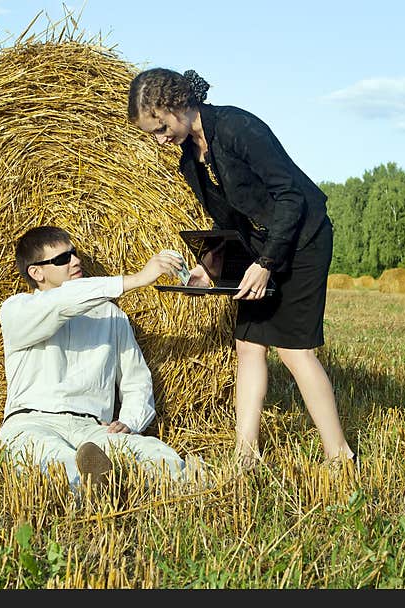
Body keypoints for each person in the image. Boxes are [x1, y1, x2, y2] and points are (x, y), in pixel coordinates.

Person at [128, 68, 356, 470]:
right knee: (249, 345)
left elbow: (290, 197)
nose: (162, 139)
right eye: (154, 134)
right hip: (261, 247)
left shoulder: (237, 127)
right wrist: (207, 268)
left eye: (161, 127)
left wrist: (267, 263)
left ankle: (339, 455)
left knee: (294, 349)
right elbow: (228, 223)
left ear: (177, 103)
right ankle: (245, 454)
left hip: (303, 239)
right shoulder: (191, 160)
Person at [0, 225, 193, 492]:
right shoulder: (17, 310)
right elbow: (61, 302)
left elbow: (136, 380)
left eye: (74, 253)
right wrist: (136, 279)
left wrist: (131, 422)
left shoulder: (111, 316)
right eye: (62, 259)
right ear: (36, 272)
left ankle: (200, 486)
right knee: (51, 460)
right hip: (33, 422)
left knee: (156, 455)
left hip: (92, 428)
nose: (76, 261)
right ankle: (91, 489)